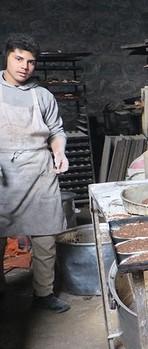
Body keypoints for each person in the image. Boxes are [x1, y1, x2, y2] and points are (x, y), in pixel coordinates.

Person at [0, 33, 70, 314]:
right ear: (6, 56)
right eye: (18, 58)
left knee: (45, 237)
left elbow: (57, 132)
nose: (24, 67)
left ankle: (44, 293)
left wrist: (59, 151)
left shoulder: (43, 96)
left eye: (30, 62)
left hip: (39, 169)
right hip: (3, 172)